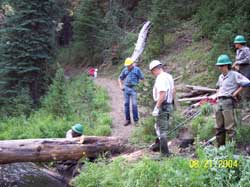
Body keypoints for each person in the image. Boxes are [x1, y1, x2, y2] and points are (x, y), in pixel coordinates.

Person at [215, 54, 250, 147]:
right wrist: (217, 94)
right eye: (219, 66)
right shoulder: (220, 77)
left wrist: (235, 93)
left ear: (227, 65)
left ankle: (231, 149)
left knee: (229, 127)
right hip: (219, 101)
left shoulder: (234, 74)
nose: (220, 68)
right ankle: (220, 148)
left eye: (221, 65)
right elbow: (218, 86)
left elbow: (246, 82)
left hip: (228, 102)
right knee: (219, 127)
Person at [149, 60, 174, 156]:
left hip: (163, 105)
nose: (153, 74)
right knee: (160, 127)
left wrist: (157, 107)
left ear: (155, 69)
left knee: (161, 130)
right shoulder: (169, 76)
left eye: (152, 71)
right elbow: (173, 91)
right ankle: (160, 146)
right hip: (168, 104)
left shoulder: (160, 78)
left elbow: (162, 93)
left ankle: (165, 153)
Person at [118, 57, 144, 126]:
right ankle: (128, 120)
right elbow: (120, 78)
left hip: (134, 89)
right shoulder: (125, 70)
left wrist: (140, 87)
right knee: (126, 104)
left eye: (129, 65)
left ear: (132, 64)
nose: (128, 67)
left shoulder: (137, 70)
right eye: (127, 65)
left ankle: (136, 121)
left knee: (134, 105)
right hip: (126, 89)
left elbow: (142, 78)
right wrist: (121, 86)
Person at [232, 35, 250, 104]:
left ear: (239, 43)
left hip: (247, 68)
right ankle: (240, 100)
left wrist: (238, 62)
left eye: (236, 43)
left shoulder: (246, 49)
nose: (235, 44)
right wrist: (236, 65)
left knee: (246, 83)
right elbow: (237, 60)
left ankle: (247, 100)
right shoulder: (237, 51)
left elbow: (248, 59)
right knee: (238, 83)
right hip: (240, 69)